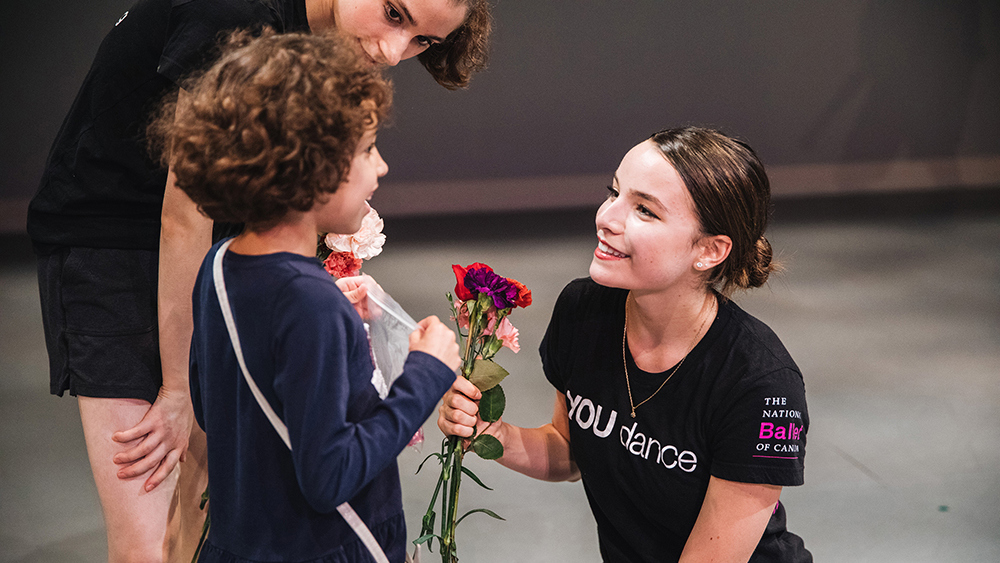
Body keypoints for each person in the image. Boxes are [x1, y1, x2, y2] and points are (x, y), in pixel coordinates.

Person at [28, 0, 489, 560]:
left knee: (202, 510)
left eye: (424, 42)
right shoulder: (233, 11)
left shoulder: (244, 268)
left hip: (214, 245)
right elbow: (184, 210)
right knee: (146, 536)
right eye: (394, 13)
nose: (392, 54)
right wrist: (178, 390)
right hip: (113, 239)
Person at [147, 30, 461, 561]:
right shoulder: (309, 302)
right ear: (310, 167)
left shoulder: (220, 265)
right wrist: (425, 376)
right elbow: (329, 475)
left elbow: (212, 402)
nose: (381, 166)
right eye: (366, 150)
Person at [438, 127, 812, 562]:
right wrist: (488, 432)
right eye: (613, 193)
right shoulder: (584, 309)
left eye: (645, 211)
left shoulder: (761, 384)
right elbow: (569, 449)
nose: (607, 219)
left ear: (710, 250)